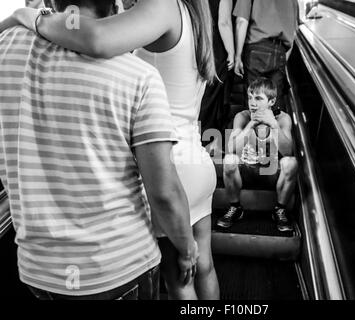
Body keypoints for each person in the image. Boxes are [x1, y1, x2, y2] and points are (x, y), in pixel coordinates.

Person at [0, 0, 219, 300]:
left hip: (171, 164)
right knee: (203, 265)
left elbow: (96, 38)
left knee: (179, 281)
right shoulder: (193, 11)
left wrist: (31, 18)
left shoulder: (161, 5)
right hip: (196, 159)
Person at [217, 78, 298, 232]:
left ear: (272, 101)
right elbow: (231, 149)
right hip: (247, 170)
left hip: (271, 173)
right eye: (250, 97)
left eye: (258, 98)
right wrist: (251, 124)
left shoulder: (283, 119)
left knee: (291, 162)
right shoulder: (242, 116)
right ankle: (235, 208)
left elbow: (288, 151)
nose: (252, 103)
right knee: (229, 160)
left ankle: (279, 210)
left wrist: (273, 125)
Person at [233, 0, 299, 113]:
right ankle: (272, 128)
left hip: (256, 50)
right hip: (280, 52)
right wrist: (283, 58)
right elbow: (294, 31)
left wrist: (238, 55)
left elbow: (241, 21)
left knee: (254, 104)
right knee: (273, 106)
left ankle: (254, 129)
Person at [199, 0, 235, 141]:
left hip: (197, 45)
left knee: (202, 95)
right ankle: (208, 142)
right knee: (214, 98)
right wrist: (231, 52)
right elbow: (224, 22)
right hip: (216, 49)